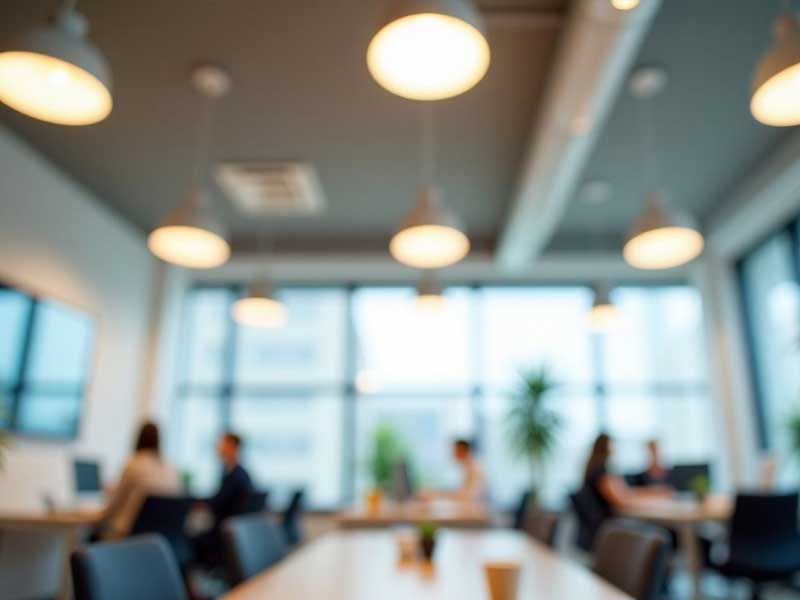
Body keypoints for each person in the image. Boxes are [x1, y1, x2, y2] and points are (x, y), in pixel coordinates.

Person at [97, 422, 181, 539]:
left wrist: (98, 515)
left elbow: (116, 503)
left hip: (130, 535)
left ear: (138, 438)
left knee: (93, 534)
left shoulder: (134, 464)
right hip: (161, 538)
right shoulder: (171, 468)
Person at [583, 433, 672, 517]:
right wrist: (650, 500)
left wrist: (653, 493)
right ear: (607, 447)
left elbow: (626, 493)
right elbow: (621, 500)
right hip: (610, 524)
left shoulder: (598, 469)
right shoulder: (601, 472)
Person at [205, 432, 253, 527]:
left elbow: (219, 503)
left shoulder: (235, 476)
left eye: (222, 444)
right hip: (232, 526)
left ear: (232, 447)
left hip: (226, 528)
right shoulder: (240, 473)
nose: (218, 448)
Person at [420, 438, 486, 502]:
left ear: (462, 450)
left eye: (455, 450)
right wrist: (437, 493)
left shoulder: (474, 469)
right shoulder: (469, 467)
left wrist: (437, 495)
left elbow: (465, 497)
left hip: (474, 509)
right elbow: (461, 493)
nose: (453, 454)